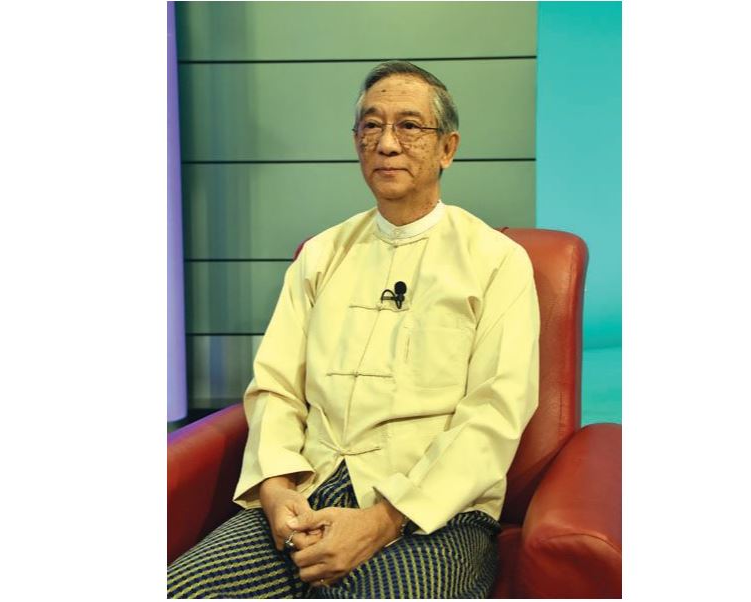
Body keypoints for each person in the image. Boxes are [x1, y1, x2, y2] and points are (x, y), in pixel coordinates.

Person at [167, 60, 540, 599]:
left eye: (408, 126)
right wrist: (275, 488)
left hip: (435, 514)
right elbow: (275, 387)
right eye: (371, 125)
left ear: (447, 148)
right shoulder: (321, 254)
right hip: (308, 490)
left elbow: (495, 413)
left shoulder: (496, 260)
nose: (386, 143)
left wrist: (383, 520)